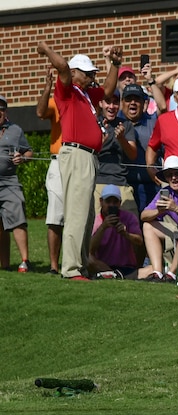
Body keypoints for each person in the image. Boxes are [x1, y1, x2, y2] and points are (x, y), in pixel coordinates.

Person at [37, 41, 119, 280]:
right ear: (74, 73)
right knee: (76, 213)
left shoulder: (84, 94)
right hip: (77, 153)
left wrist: (115, 64)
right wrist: (45, 48)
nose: (92, 77)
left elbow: (107, 90)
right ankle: (71, 269)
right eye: (88, 73)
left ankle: (80, 266)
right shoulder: (67, 90)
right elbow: (62, 66)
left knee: (86, 214)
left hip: (89, 157)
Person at [0, 94, 33, 272]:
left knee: (17, 214)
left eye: (2, 108)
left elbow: (29, 151)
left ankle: (25, 261)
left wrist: (23, 158)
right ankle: (4, 265)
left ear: (5, 112)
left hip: (9, 181)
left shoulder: (15, 130)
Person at [35, 68, 63, 275]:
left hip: (81, 161)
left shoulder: (83, 100)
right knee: (55, 215)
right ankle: (54, 266)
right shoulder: (57, 101)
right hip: (59, 161)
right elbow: (40, 112)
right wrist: (47, 88)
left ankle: (74, 263)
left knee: (78, 216)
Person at [94, 90, 138, 215]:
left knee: (132, 221)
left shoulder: (126, 125)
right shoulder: (94, 123)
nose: (112, 107)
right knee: (94, 225)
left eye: (115, 102)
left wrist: (121, 139)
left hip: (120, 182)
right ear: (101, 103)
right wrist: (100, 142)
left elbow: (133, 155)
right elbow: (86, 156)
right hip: (98, 181)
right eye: (108, 102)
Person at [119, 83, 159, 213]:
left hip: (151, 187)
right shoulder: (115, 124)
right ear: (122, 103)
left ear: (144, 103)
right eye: (128, 99)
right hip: (123, 187)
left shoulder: (154, 124)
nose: (133, 103)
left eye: (137, 99)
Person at [89, 184, 143, 279]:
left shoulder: (129, 218)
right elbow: (90, 250)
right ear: (101, 202)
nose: (111, 205)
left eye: (115, 202)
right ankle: (113, 274)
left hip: (127, 267)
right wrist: (103, 227)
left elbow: (140, 241)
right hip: (103, 266)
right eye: (108, 202)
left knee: (152, 269)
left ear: (120, 203)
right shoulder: (96, 220)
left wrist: (126, 234)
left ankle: (115, 276)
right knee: (88, 259)